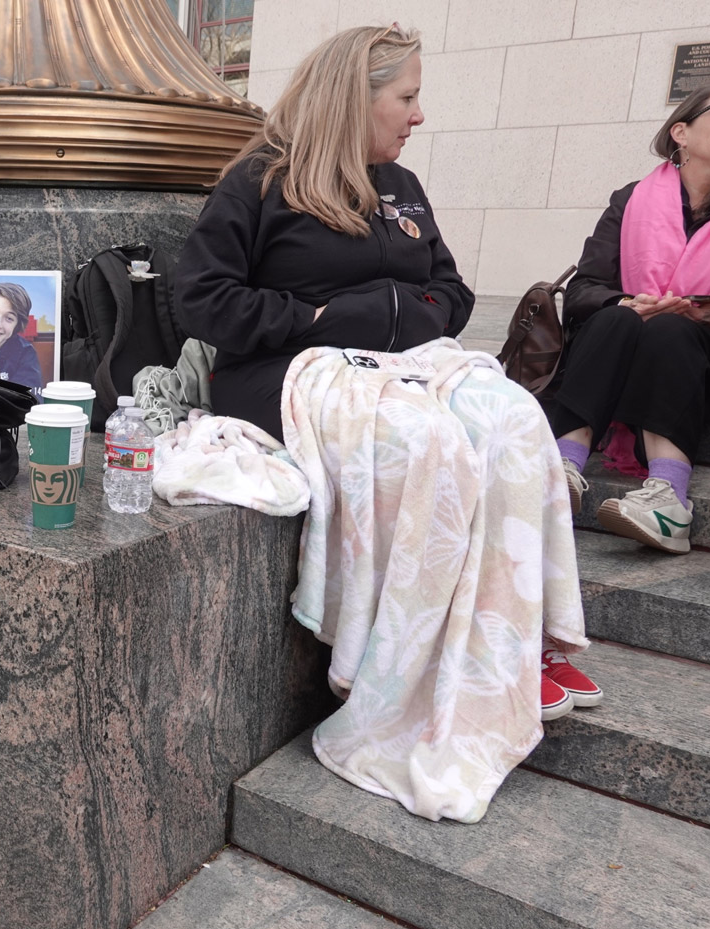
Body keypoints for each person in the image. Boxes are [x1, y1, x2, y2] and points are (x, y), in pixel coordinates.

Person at [173, 24, 594, 823]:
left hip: (404, 364)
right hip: (289, 370)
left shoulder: (399, 183)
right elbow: (202, 300)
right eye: (406, 97)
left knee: (512, 420)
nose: (418, 115)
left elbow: (452, 292)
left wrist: (410, 313)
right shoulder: (260, 181)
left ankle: (510, 647)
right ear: (352, 98)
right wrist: (323, 315)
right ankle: (405, 672)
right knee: (425, 444)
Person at [549, 82, 710, 556]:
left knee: (671, 326)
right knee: (617, 319)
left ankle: (668, 500)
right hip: (621, 348)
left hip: (709, 359)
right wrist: (626, 304)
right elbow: (585, 289)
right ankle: (561, 469)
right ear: (681, 132)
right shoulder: (631, 199)